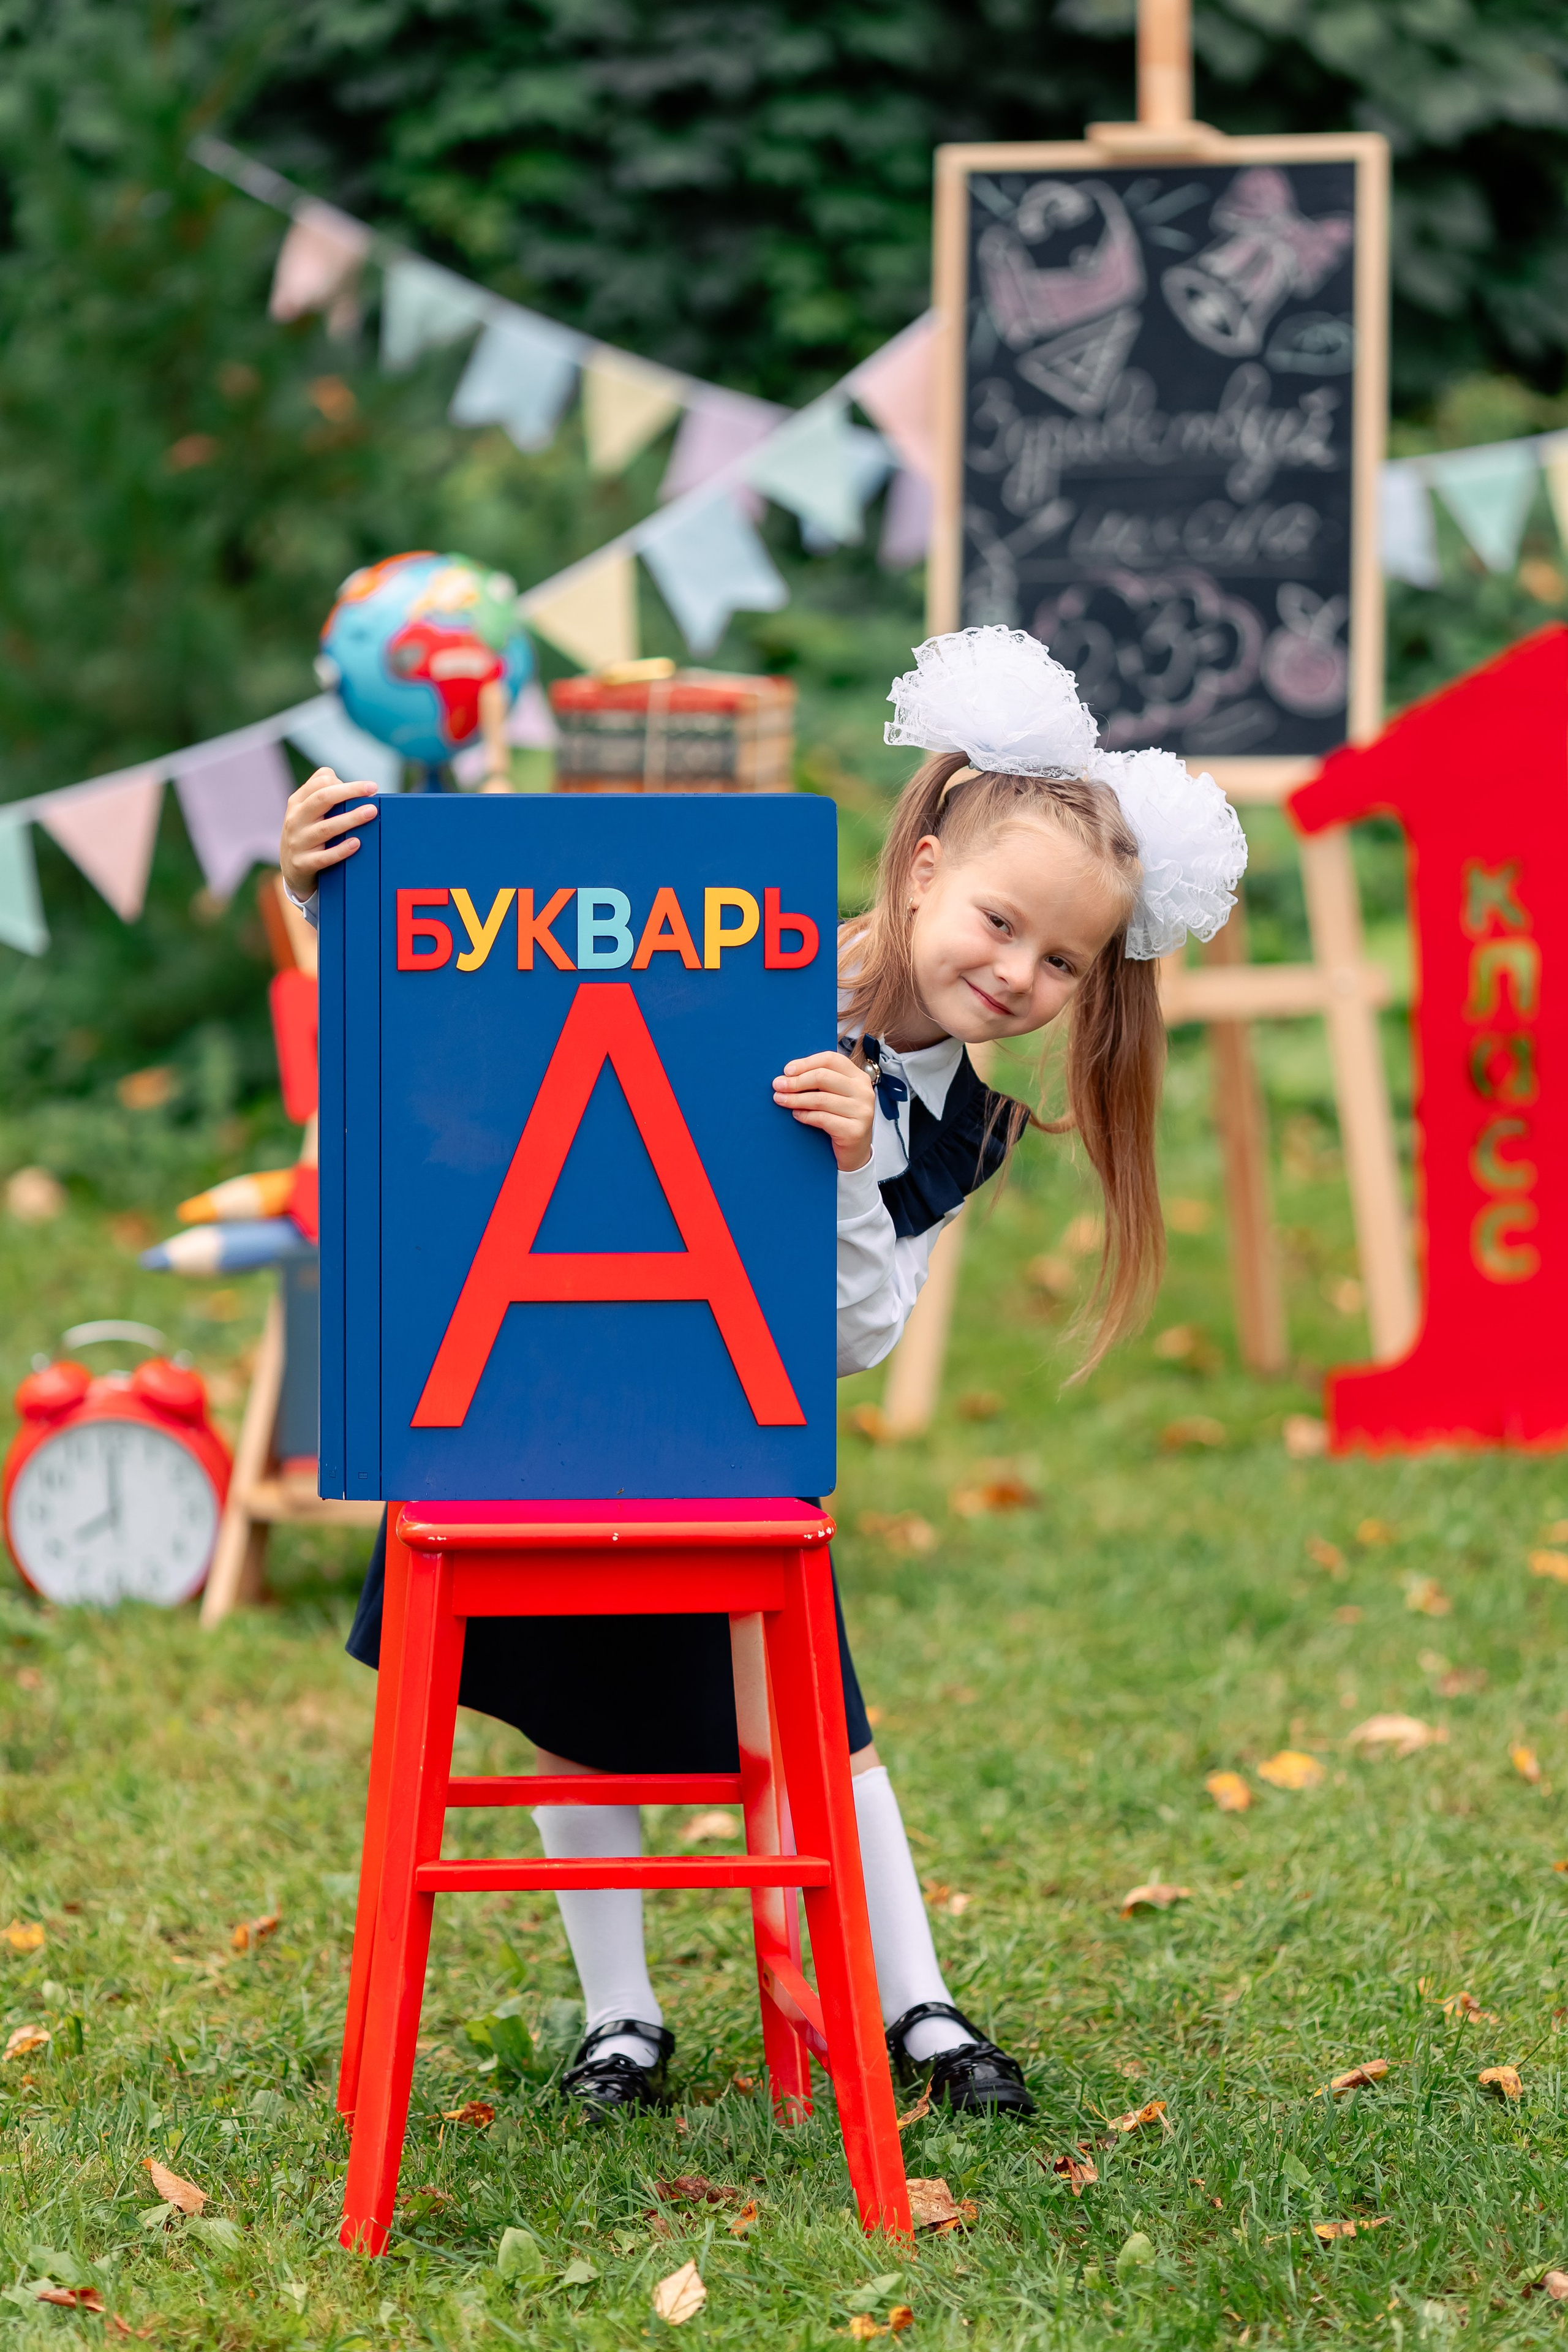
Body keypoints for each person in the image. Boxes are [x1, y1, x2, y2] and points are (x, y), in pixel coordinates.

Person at [279, 624, 1246, 2124]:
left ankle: (912, 2003)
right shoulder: (733, 951)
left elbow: (856, 1342)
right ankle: (621, 2020)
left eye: (1060, 961)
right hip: (543, 1379)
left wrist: (853, 1171)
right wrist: (326, 894)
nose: (1017, 971)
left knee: (820, 1728)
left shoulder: (953, 1128)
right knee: (559, 1701)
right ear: (921, 860)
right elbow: (471, 1018)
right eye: (999, 922)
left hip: (728, 1433)